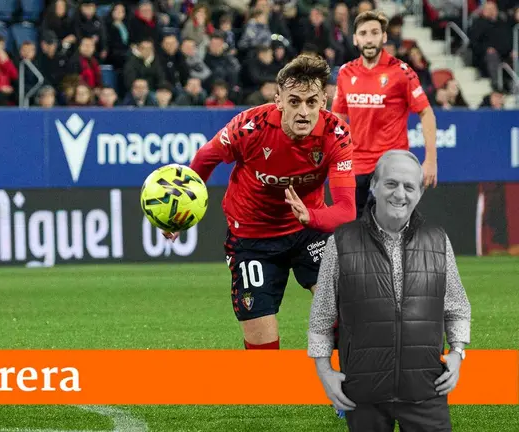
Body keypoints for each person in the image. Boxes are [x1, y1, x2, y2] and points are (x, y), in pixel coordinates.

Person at [166, 54, 357, 352]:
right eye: (294, 101)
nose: (304, 111)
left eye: (311, 102)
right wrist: (181, 211)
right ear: (278, 99)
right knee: (263, 351)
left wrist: (312, 218)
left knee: (346, 311)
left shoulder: (337, 135)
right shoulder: (249, 127)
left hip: (309, 229)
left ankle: (337, 379)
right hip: (252, 237)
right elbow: (206, 158)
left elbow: (346, 209)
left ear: (324, 100)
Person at [308, 150, 472, 432]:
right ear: (374, 185)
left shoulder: (438, 240)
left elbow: (457, 308)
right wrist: (325, 372)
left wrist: (457, 353)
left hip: (426, 392)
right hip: (362, 395)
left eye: (409, 187)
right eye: (391, 183)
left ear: (420, 193)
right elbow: (321, 318)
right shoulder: (341, 241)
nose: (400, 194)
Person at [332, 11, 439, 218]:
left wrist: (431, 160)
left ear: (384, 37)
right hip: (355, 167)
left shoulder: (401, 72)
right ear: (355, 39)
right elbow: (338, 117)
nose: (369, 39)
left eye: (374, 32)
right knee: (356, 234)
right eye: (363, 33)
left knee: (386, 230)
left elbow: (426, 113)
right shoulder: (346, 73)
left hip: (391, 165)